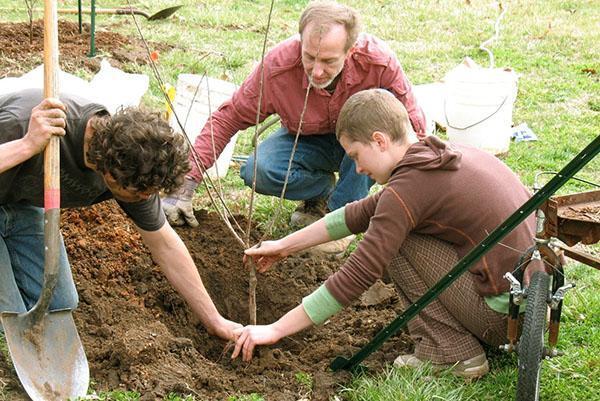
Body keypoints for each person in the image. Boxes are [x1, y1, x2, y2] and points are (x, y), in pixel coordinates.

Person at [231, 89, 537, 379]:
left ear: (379, 141)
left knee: (398, 240)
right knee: (393, 226)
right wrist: (284, 246)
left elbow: (360, 271)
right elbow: (360, 213)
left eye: (355, 155)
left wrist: (276, 329)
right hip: (535, 311)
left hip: (506, 322)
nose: (359, 169)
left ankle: (451, 353)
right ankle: (460, 339)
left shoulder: (409, 187)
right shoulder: (437, 156)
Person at [163, 1, 426, 253]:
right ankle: (323, 193)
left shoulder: (378, 63)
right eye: (310, 57)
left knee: (372, 130)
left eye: (329, 61)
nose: (317, 71)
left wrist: (421, 188)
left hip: (364, 142)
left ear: (351, 50)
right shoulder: (278, 67)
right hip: (309, 141)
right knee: (259, 170)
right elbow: (229, 117)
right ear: (301, 41)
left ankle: (340, 219)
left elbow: (412, 127)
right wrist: (186, 183)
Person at [0, 89, 241, 341]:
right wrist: (26, 145)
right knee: (9, 315)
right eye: (140, 194)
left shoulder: (133, 163)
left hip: (19, 206)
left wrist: (215, 321)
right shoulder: (22, 124)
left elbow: (166, 246)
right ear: (111, 176)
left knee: (59, 304)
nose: (146, 199)